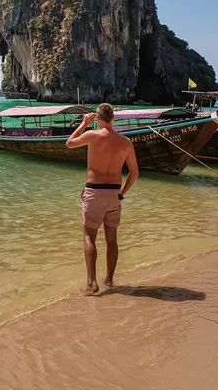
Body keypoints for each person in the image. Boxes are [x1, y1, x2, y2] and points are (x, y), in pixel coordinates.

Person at [66, 103, 139, 295]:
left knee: (89, 237)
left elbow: (69, 143)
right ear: (113, 118)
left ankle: (92, 284)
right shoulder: (125, 142)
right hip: (114, 193)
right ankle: (109, 280)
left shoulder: (92, 135)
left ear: (98, 119)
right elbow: (134, 173)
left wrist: (83, 124)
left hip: (94, 192)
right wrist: (122, 193)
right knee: (112, 241)